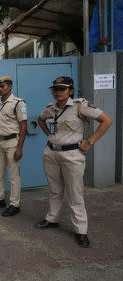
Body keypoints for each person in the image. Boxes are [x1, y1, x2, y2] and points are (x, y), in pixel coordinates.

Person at [35, 76, 113, 248]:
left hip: (72, 155)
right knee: (55, 190)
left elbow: (106, 120)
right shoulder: (51, 108)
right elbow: (40, 119)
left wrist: (89, 142)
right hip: (51, 153)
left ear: (70, 90)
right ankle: (52, 218)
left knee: (74, 193)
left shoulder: (80, 106)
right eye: (55, 89)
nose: (58, 92)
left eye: (62, 89)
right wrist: (48, 133)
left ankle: (80, 230)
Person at [0, 76, 27, 217]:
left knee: (13, 176)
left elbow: (23, 126)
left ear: (10, 87)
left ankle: (15, 204)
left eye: (2, 86)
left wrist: (19, 148)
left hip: (12, 143)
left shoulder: (18, 103)